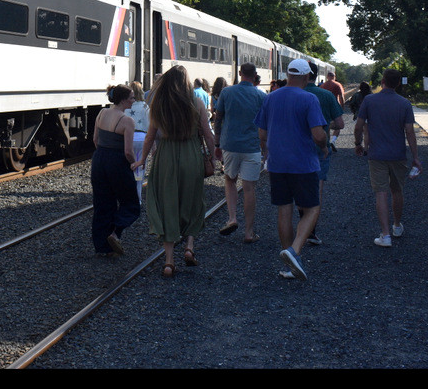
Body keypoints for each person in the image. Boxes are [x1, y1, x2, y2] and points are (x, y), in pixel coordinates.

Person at [139, 65, 215, 278]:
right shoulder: (197, 103)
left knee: (167, 203)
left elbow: (149, 137)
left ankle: (169, 262)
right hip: (191, 154)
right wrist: (214, 156)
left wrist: (142, 160)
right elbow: (208, 135)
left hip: (166, 157)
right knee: (192, 199)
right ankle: (189, 246)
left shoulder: (158, 104)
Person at [255, 59, 327, 281]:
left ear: (288, 75)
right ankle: (294, 251)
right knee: (312, 209)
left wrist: (267, 153)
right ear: (306, 78)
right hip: (303, 164)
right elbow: (317, 134)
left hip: (277, 164)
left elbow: (262, 134)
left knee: (283, 210)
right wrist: (324, 146)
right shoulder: (309, 98)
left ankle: (288, 266)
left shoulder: (271, 98)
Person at [354, 69, 421, 247]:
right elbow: (409, 132)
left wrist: (358, 144)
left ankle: (385, 235)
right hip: (398, 154)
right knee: (397, 191)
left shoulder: (369, 100)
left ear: (383, 81)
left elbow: (358, 126)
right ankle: (397, 226)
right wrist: (415, 157)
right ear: (398, 83)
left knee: (381, 193)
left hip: (376, 155)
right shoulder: (405, 103)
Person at [213, 63, 266, 243]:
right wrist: (265, 149)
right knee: (249, 188)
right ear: (255, 75)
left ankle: (232, 218)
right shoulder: (261, 95)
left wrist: (217, 143)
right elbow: (265, 125)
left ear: (240, 73)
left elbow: (218, 118)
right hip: (252, 146)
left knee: (230, 180)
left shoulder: (227, 93)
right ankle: (249, 232)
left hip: (230, 144)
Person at [90, 84, 141, 255]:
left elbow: (95, 139)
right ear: (124, 100)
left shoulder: (101, 113)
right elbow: (128, 151)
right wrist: (134, 164)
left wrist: (102, 155)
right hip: (117, 162)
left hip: (99, 159)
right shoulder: (127, 121)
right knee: (131, 203)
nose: (134, 101)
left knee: (103, 202)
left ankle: (101, 246)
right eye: (132, 98)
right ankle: (115, 233)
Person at [301, 61, 345, 246]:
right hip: (319, 148)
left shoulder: (291, 94)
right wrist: (326, 124)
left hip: (296, 148)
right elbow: (340, 124)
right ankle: (311, 231)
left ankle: (301, 224)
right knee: (316, 189)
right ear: (315, 74)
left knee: (298, 187)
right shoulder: (326, 95)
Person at [125, 81, 149, 201]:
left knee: (127, 167)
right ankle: (137, 199)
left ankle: (126, 198)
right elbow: (150, 126)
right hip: (142, 140)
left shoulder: (126, 105)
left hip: (128, 139)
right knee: (139, 170)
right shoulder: (145, 106)